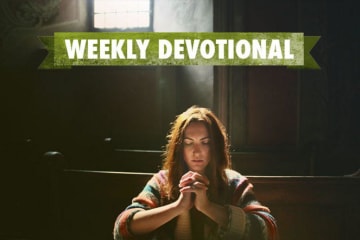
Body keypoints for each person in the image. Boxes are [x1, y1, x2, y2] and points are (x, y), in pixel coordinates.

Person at [113, 106, 278, 240]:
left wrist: (207, 207)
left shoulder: (234, 182)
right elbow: (123, 227)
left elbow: (268, 229)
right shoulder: (163, 180)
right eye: (188, 143)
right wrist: (178, 207)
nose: (197, 152)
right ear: (179, 147)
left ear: (215, 147)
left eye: (205, 143)